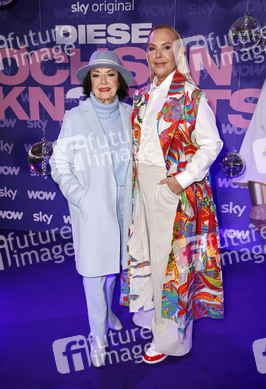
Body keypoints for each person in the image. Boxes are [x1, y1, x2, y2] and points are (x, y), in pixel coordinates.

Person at [122, 24, 224, 364]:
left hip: (172, 189)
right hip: (143, 185)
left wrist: (183, 179)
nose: (158, 55)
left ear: (178, 54)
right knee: (147, 255)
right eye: (152, 49)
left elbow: (212, 145)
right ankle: (152, 319)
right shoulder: (143, 94)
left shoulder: (193, 96)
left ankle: (169, 340)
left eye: (166, 48)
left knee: (172, 267)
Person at [50, 51, 133, 367]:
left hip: (127, 206)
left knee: (114, 266)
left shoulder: (131, 115)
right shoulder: (76, 118)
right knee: (93, 273)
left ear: (119, 81)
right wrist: (81, 198)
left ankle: (108, 311)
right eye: (96, 75)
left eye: (110, 75)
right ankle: (97, 337)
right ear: (89, 82)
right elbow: (59, 164)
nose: (103, 81)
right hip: (94, 207)